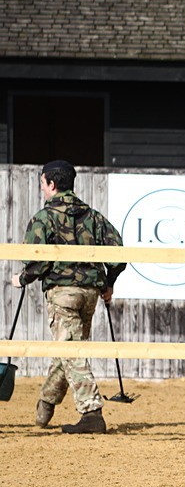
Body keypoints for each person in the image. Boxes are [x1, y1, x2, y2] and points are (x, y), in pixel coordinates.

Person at [11, 160, 125, 434]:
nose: (42, 190)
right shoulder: (94, 216)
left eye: (42, 184)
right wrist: (108, 284)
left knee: (71, 351)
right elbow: (119, 252)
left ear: (51, 184)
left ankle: (91, 412)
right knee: (70, 349)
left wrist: (21, 279)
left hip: (63, 294)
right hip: (90, 294)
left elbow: (36, 262)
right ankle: (47, 403)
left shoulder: (43, 217)